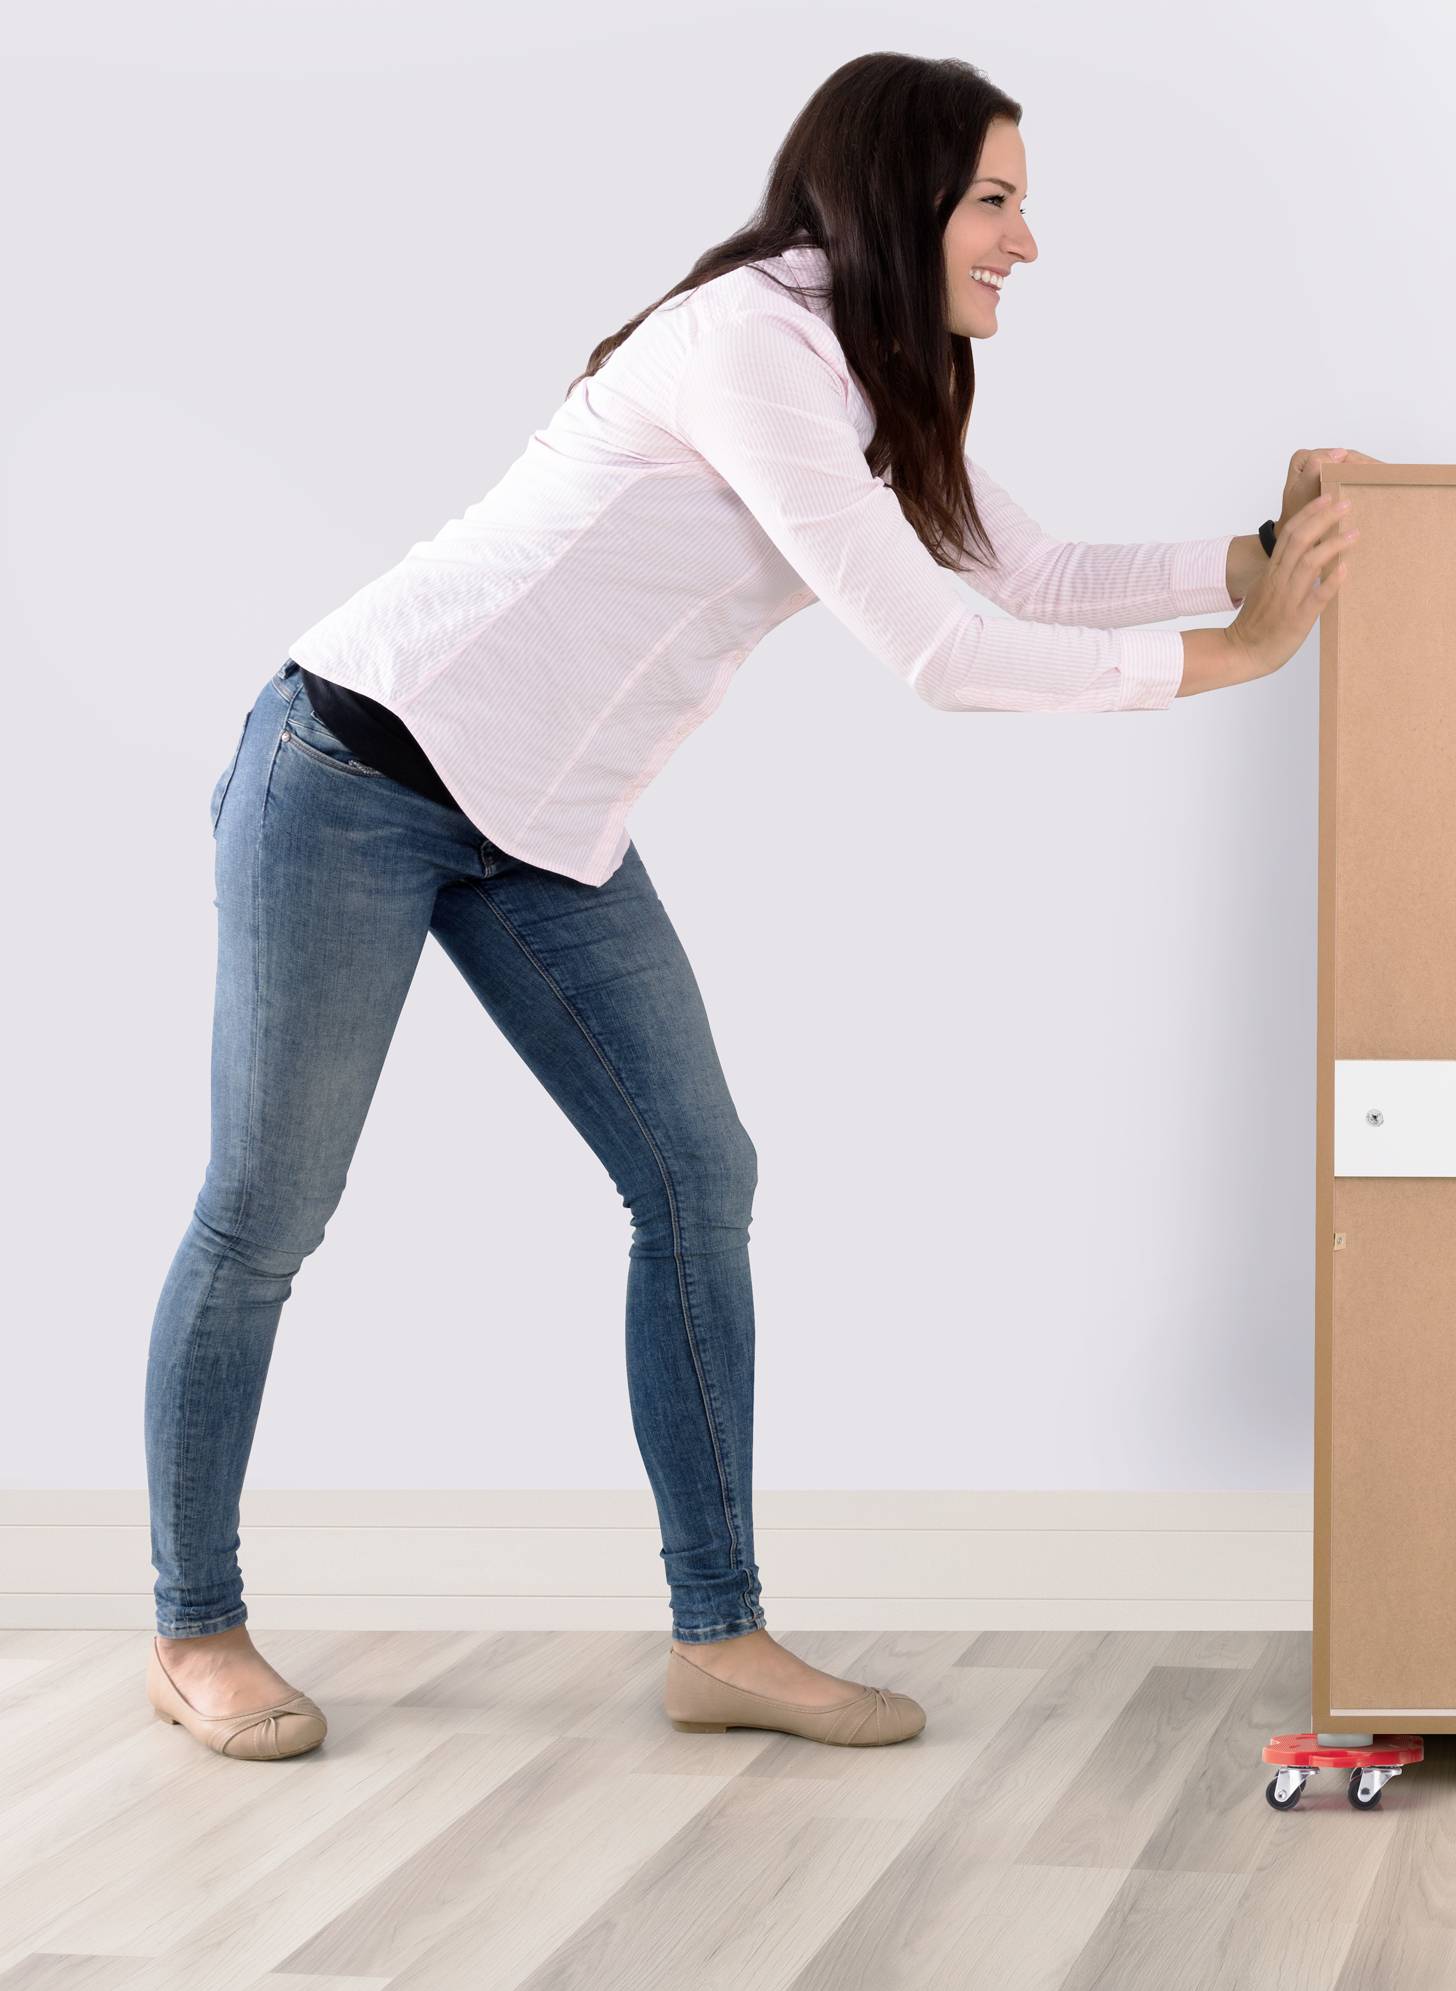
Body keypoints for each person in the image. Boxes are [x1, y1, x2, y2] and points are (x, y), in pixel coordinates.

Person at [143, 50, 1364, 1762]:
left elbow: (1020, 572)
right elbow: (940, 652)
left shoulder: (879, 371)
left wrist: (1262, 547)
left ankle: (719, 1637)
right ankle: (194, 1624)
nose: (1028, 242)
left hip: (547, 826)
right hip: (354, 768)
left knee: (695, 1177)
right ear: (898, 200)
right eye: (997, 201)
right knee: (270, 1207)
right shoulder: (749, 346)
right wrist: (1235, 659)